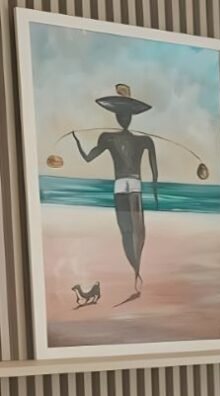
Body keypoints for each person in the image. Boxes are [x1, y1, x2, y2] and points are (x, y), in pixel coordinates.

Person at [72, 84, 159, 301]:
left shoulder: (108, 138)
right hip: (135, 184)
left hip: (120, 185)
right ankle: (136, 272)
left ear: (117, 118)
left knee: (127, 230)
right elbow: (154, 171)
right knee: (138, 229)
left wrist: (77, 142)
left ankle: (135, 271)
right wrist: (155, 191)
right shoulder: (144, 140)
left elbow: (88, 158)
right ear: (130, 118)